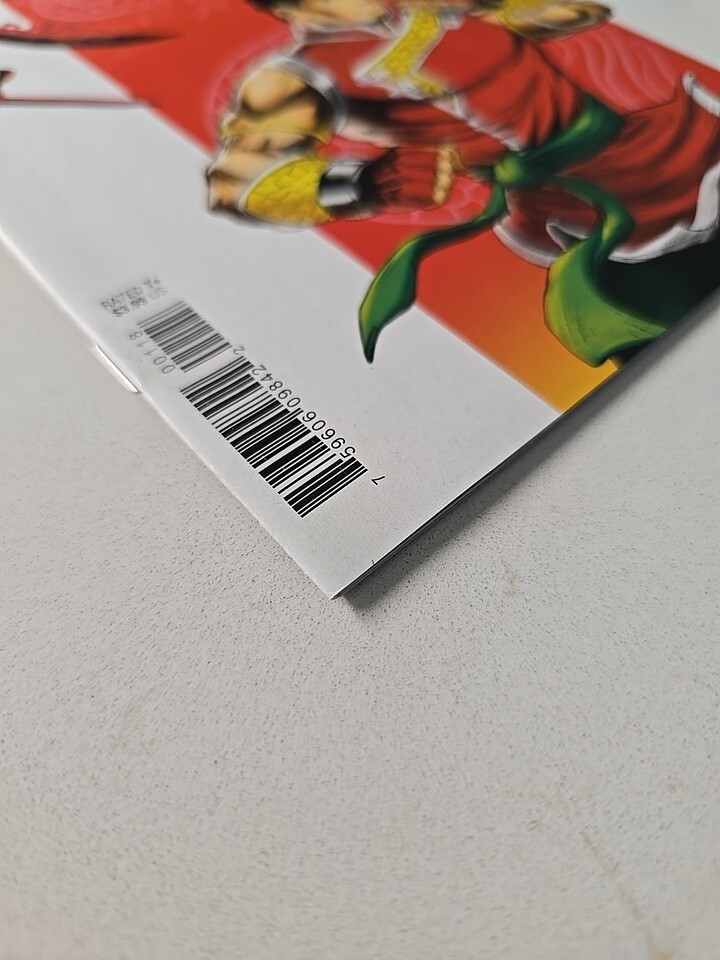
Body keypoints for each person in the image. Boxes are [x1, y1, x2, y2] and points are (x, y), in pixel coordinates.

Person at [207, 0, 720, 366]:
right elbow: (238, 183)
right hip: (582, 210)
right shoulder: (294, 77)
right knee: (676, 348)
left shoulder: (427, 9)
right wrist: (363, 183)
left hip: (662, 146)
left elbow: (566, 14)